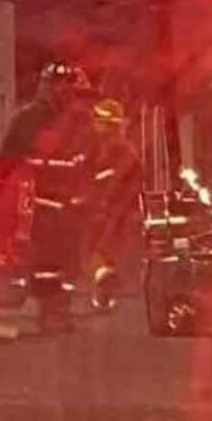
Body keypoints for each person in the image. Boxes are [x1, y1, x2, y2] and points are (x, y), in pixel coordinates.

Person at [2, 60, 97, 333]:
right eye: (64, 88)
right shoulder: (27, 120)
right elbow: (9, 160)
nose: (68, 95)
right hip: (41, 205)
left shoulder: (80, 122)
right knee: (45, 263)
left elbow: (91, 160)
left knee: (69, 263)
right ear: (49, 88)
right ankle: (49, 310)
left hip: (71, 207)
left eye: (73, 90)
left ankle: (61, 308)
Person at [82, 98, 142, 312]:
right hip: (120, 213)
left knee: (95, 253)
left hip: (107, 212)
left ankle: (104, 285)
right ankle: (107, 289)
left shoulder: (111, 150)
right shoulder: (125, 150)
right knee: (109, 254)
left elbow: (102, 180)